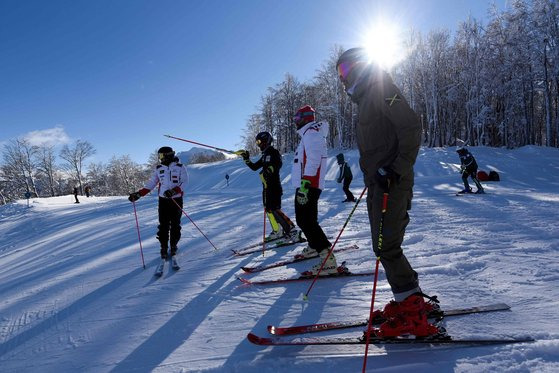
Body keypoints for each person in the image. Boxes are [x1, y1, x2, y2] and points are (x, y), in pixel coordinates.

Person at [336, 48, 439, 337]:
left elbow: (410, 127)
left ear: (358, 66)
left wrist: (395, 168)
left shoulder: (382, 88)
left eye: (344, 71)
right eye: (340, 75)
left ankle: (412, 314)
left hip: (393, 183)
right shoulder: (366, 98)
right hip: (379, 184)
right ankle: (409, 298)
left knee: (386, 246)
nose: (343, 80)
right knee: (384, 245)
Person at [292, 105, 338, 276]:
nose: (296, 122)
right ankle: (314, 246)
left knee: (306, 221)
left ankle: (327, 259)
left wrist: (305, 184)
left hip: (308, 185)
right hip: (307, 184)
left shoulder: (311, 133)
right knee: (307, 220)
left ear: (306, 118)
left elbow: (314, 159)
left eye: (297, 118)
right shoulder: (308, 133)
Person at [128, 146, 188, 265]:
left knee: (175, 224)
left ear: (168, 155)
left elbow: (185, 181)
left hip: (176, 200)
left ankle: (173, 245)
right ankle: (164, 247)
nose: (160, 158)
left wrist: (175, 191)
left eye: (161, 156)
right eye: (159, 156)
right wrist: (139, 194)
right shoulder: (159, 168)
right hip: (163, 201)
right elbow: (152, 183)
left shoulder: (180, 167)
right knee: (163, 225)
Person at [237, 132, 296, 242]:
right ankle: (277, 231)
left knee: (275, 210)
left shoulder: (273, 152)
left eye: (259, 142)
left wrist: (270, 170)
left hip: (274, 187)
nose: (258, 144)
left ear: (266, 141)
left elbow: (278, 164)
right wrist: (246, 159)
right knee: (269, 210)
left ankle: (291, 230)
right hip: (266, 187)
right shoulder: (264, 155)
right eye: (257, 142)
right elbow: (254, 167)